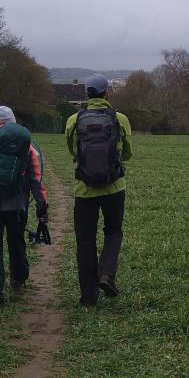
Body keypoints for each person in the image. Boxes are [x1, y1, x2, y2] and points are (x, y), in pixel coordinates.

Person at [0, 105, 48, 309]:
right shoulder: (26, 147)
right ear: (13, 122)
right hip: (17, 206)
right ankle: (19, 279)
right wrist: (41, 204)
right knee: (16, 241)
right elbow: (36, 180)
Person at [65, 74, 132, 306]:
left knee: (85, 241)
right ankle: (106, 273)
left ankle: (88, 297)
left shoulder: (74, 120)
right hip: (114, 187)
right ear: (107, 94)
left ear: (87, 94)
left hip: (84, 190)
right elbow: (127, 153)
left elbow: (73, 151)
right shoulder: (120, 119)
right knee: (113, 231)